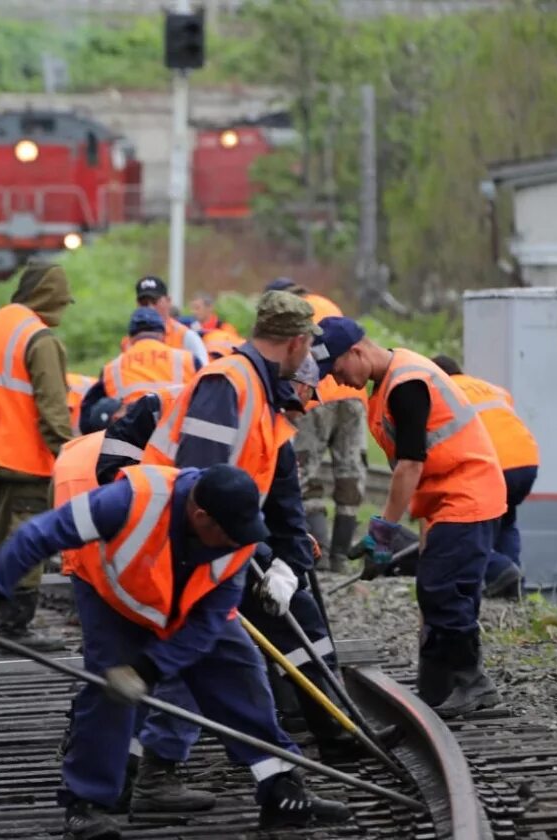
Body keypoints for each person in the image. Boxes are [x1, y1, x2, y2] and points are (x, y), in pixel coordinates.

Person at [0, 464, 351, 838]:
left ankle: (279, 784)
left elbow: (207, 624)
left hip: (188, 603)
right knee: (107, 688)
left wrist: (149, 668)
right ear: (200, 516)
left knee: (238, 666)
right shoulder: (128, 501)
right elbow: (35, 536)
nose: (237, 544)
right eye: (229, 536)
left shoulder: (238, 535)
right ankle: (85, 803)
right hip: (112, 594)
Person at [138, 292, 361, 808]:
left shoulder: (263, 395)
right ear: (299, 341)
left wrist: (284, 560)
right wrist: (247, 557)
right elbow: (200, 486)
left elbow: (276, 490)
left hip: (215, 549)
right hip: (185, 546)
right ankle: (147, 779)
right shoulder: (229, 385)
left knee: (228, 666)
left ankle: (278, 786)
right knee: (198, 663)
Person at [319, 317, 506, 717]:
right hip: (448, 499)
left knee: (442, 590)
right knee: (444, 590)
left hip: (467, 494)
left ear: (357, 351)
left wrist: (383, 531)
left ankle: (474, 685)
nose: (339, 381)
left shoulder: (407, 385)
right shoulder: (391, 383)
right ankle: (440, 687)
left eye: (338, 370)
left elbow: (410, 465)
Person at [0, 261, 74, 650]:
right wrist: (71, 455)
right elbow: (53, 409)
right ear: (50, 296)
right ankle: (16, 627)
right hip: (24, 460)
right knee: (25, 539)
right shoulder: (39, 338)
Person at [269, 280, 368, 571]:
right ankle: (340, 557)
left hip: (316, 398)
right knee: (350, 473)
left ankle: (319, 554)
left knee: (306, 473)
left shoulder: (291, 314)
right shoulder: (328, 304)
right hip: (352, 394)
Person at [432, 355, 539, 600]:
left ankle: (499, 569)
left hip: (492, 465)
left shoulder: (445, 390)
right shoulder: (490, 388)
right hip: (526, 461)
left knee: (467, 529)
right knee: (507, 519)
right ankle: (512, 584)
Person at [79, 307, 196, 433]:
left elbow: (87, 419)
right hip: (176, 435)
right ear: (163, 335)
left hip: (133, 438)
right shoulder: (187, 359)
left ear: (130, 338)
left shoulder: (113, 367)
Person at [126, 276, 207, 366]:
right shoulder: (128, 341)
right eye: (144, 303)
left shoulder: (186, 337)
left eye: (154, 302)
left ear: (168, 301)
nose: (150, 307)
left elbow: (204, 373)